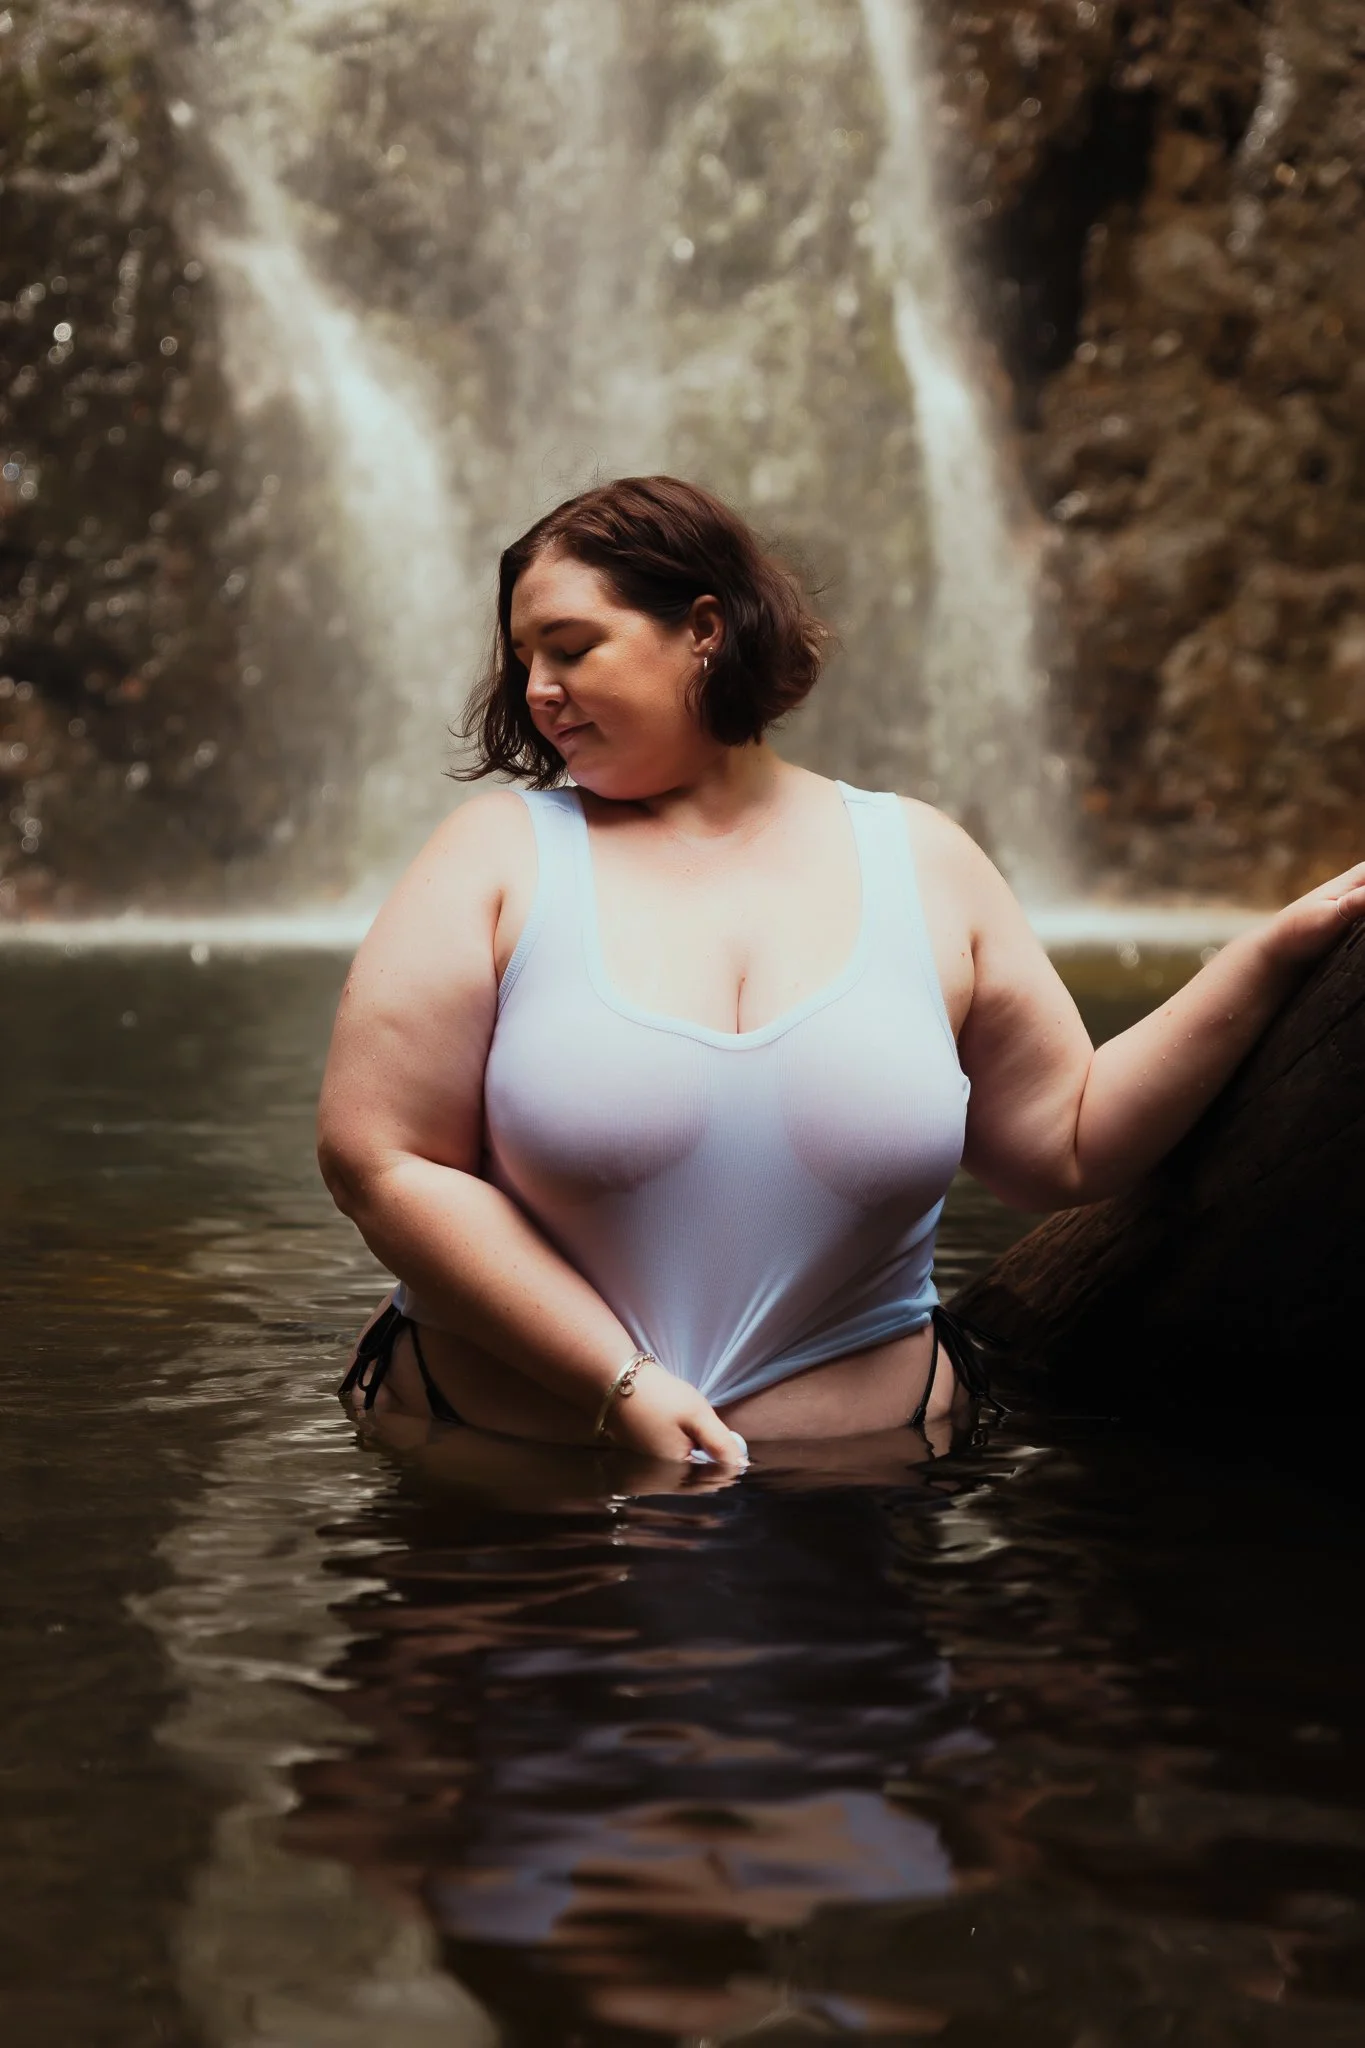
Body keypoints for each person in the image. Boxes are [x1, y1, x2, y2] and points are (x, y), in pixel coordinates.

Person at [319, 476, 1365, 1464]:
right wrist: (619, 1382)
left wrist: (1270, 955)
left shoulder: (921, 857)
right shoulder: (494, 852)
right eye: (524, 659)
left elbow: (1068, 1144)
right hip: (513, 1487)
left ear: (704, 628)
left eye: (572, 647)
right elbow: (379, 1158)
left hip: (860, 1490)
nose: (539, 688)